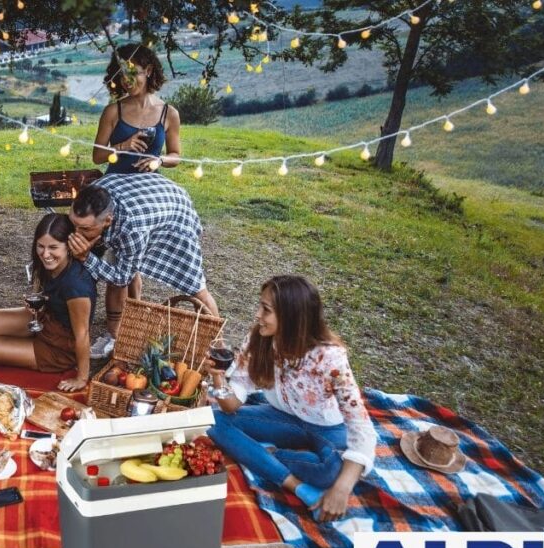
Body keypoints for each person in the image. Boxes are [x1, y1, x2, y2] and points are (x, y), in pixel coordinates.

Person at [204, 275, 377, 522]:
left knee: (331, 473)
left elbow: (362, 428)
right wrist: (219, 379)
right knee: (212, 420)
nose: (257, 315)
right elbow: (232, 405)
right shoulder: (259, 340)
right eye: (260, 306)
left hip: (328, 428)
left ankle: (264, 454)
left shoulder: (330, 358)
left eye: (266, 310)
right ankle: (297, 485)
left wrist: (341, 489)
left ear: (292, 317)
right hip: (282, 418)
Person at [67, 174, 220, 359]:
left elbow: (121, 277)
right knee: (122, 260)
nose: (77, 233)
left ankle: (218, 346)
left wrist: (86, 258)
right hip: (148, 197)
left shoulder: (132, 228)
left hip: (176, 212)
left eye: (85, 229)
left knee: (195, 285)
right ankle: (117, 333)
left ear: (107, 220)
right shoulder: (94, 193)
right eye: (74, 224)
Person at [0, 214, 96, 392]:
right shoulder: (47, 266)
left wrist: (82, 378)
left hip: (58, 348)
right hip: (43, 320)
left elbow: (82, 335)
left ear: (69, 247)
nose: (45, 254)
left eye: (53, 247)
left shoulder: (76, 285)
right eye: (40, 246)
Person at [92, 43, 181, 174]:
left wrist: (159, 160)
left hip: (151, 183)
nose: (127, 80)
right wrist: (123, 146)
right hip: (116, 181)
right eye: (122, 74)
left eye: (132, 73)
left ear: (148, 71)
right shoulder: (112, 112)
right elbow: (97, 157)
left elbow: (175, 156)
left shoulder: (169, 113)